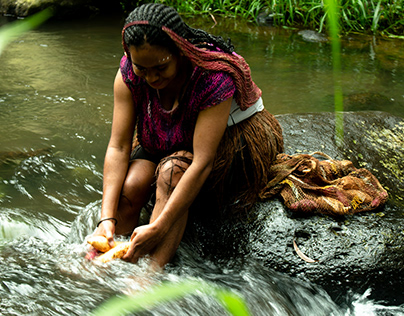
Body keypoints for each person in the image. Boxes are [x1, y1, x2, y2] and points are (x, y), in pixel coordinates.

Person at [93, 3, 283, 268]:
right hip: (170, 132)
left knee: (172, 172)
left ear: (180, 52)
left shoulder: (213, 77)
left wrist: (158, 227)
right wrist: (105, 220)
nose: (151, 78)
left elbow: (202, 162)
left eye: (160, 67)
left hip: (225, 138)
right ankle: (108, 255)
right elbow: (119, 146)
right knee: (133, 184)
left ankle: (148, 274)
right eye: (142, 69)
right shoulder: (129, 72)